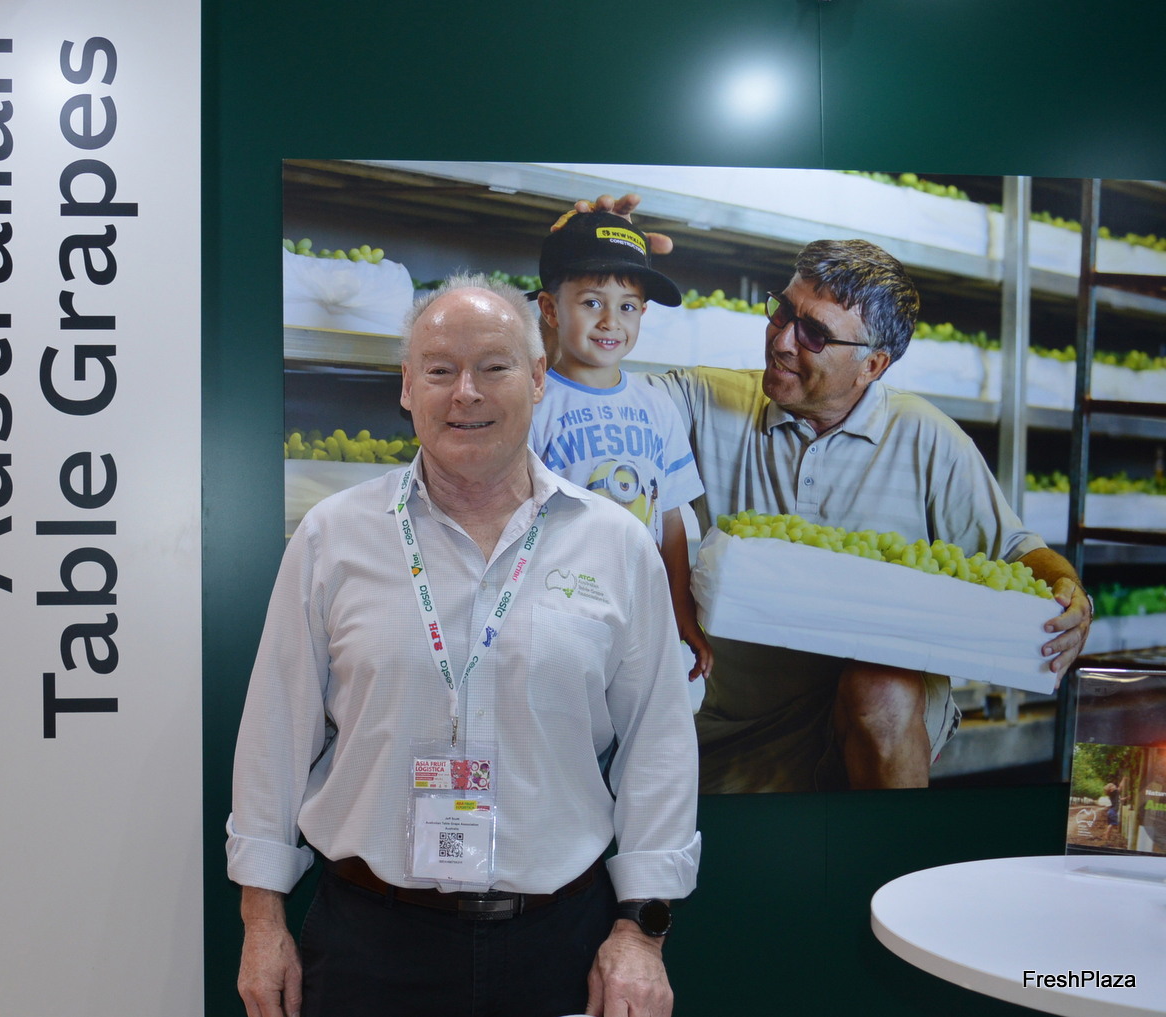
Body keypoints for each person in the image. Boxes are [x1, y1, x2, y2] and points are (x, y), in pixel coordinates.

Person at [226, 272, 701, 1017]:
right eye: (441, 370)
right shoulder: (333, 537)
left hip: (559, 945)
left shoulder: (616, 545)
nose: (466, 393)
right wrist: (261, 921)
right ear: (407, 386)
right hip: (369, 944)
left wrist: (642, 932)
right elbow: (274, 733)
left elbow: (659, 744)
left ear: (537, 378)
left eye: (493, 367)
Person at [635, 232, 1094, 793]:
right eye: (782, 311)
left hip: (881, 712)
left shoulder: (926, 438)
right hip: (735, 719)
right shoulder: (703, 401)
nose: (782, 340)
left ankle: (892, 849)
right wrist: (588, 267)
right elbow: (595, 396)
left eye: (815, 333)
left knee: (881, 688)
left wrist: (1071, 594)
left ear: (872, 364)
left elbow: (1017, 552)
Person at [529, 210, 712, 680]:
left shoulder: (657, 406)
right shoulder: (531, 404)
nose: (611, 321)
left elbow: (670, 520)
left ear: (643, 313)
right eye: (592, 302)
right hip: (556, 610)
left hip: (641, 610)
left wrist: (681, 610)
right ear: (550, 310)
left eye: (628, 307)